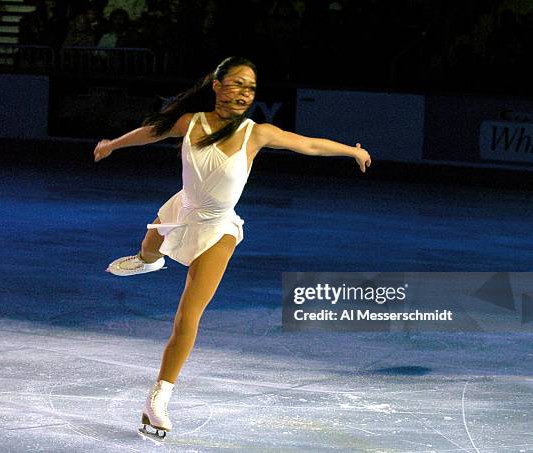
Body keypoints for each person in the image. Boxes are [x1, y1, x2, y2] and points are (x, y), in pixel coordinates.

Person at [92, 56, 371, 439]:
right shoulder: (190, 123)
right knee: (149, 248)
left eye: (251, 88)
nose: (244, 93)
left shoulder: (256, 133)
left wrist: (350, 151)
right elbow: (148, 132)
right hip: (183, 208)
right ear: (218, 86)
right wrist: (112, 144)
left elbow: (307, 144)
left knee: (188, 315)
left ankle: (158, 397)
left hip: (218, 227)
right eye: (237, 84)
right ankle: (147, 260)